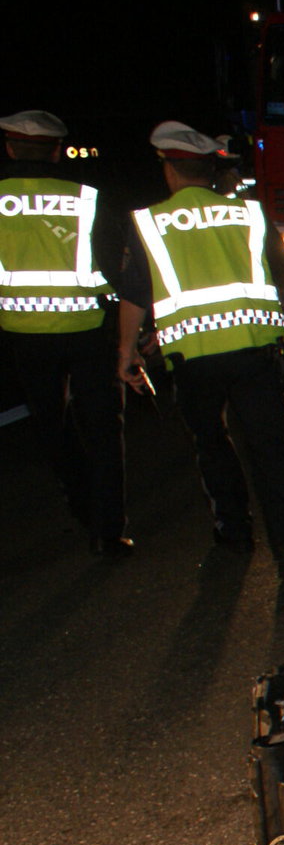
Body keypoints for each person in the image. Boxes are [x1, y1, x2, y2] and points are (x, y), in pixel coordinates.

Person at [116, 120, 284, 578]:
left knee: (212, 445)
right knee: (272, 451)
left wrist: (126, 353)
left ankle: (235, 534)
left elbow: (135, 295)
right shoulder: (249, 214)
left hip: (192, 357)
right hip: (256, 353)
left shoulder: (150, 222)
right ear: (209, 170)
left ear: (169, 170)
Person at [0, 109, 140, 556]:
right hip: (88, 330)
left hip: (22, 331)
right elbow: (116, 268)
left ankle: (81, 502)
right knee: (103, 429)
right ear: (57, 151)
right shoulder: (87, 197)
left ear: (10, 148)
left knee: (51, 427)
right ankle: (108, 530)